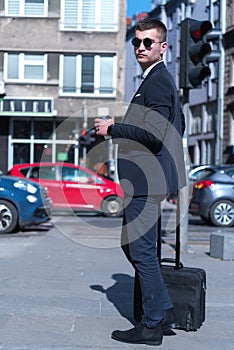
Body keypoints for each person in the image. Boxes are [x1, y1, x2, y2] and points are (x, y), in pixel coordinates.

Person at [94, 18, 186, 346]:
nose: (141, 48)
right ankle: (162, 309)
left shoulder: (158, 81)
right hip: (147, 180)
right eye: (136, 42)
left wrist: (114, 129)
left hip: (147, 182)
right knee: (133, 246)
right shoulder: (153, 81)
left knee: (143, 252)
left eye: (148, 42)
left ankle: (152, 324)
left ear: (163, 46)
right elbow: (176, 124)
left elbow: (155, 133)